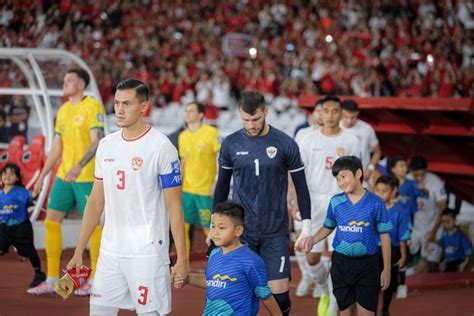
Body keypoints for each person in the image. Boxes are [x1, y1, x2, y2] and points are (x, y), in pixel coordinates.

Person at [66, 78, 188, 315]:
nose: (119, 110)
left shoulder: (162, 147)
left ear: (144, 107)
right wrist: (79, 250)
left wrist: (182, 258)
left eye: (127, 104)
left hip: (148, 252)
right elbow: (95, 202)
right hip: (110, 251)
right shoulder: (106, 146)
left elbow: (175, 207)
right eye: (117, 103)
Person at [213, 91, 313, 315]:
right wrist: (215, 225)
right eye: (246, 120)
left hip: (274, 231)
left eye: (256, 119)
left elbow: (301, 186)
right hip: (241, 231)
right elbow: (222, 187)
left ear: (265, 112)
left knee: (279, 297)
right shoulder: (230, 143)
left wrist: (306, 227)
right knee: (239, 293)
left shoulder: (286, 143)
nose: (251, 125)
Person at [28, 67, 105, 296]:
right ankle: (52, 279)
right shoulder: (62, 110)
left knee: (92, 225)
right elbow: (57, 146)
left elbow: (96, 142)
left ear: (81, 84)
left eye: (69, 80)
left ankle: (95, 279)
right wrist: (42, 176)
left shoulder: (92, 106)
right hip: (63, 175)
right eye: (63, 80)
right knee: (51, 220)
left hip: (85, 175)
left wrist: (79, 165)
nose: (64, 83)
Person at [298, 156, 392, 316]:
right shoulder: (336, 202)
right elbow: (328, 227)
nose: (340, 182)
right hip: (341, 264)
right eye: (337, 179)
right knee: (345, 311)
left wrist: (387, 269)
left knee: (366, 313)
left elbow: (384, 237)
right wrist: (312, 239)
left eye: (343, 176)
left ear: (358, 173)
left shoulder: (376, 203)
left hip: (368, 265)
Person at [296, 95, 360, 316]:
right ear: (319, 113)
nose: (331, 116)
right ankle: (324, 289)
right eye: (326, 111)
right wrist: (295, 200)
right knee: (311, 256)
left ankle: (333, 304)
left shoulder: (352, 140)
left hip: (341, 202)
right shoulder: (307, 139)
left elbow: (357, 175)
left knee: (338, 257)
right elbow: (296, 175)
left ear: (341, 113)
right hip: (313, 202)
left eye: (335, 111)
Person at [185, 201, 282, 315]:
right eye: (213, 226)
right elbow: (211, 281)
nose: (215, 232)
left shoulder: (251, 261)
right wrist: (186, 278)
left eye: (221, 227)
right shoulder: (214, 254)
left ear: (238, 231)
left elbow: (265, 294)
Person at [178, 102, 220, 258]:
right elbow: (183, 161)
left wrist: (216, 181)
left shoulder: (211, 133)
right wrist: (179, 184)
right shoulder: (183, 136)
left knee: (209, 229)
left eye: (191, 111)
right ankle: (183, 262)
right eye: (186, 110)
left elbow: (219, 158)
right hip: (187, 190)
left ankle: (216, 262)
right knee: (182, 227)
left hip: (205, 190)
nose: (187, 113)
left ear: (201, 115)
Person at [0, 163, 46, 289]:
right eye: (5, 173)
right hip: (3, 228)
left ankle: (39, 274)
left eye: (11, 174)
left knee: (29, 252)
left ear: (17, 177)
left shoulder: (22, 192)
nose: (7, 176)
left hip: (21, 228)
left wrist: (36, 192)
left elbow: (33, 196)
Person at [374, 176, 410, 316]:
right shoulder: (372, 208)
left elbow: (403, 237)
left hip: (393, 250)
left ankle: (385, 310)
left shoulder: (400, 211)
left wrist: (403, 255)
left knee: (388, 283)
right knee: (373, 284)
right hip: (374, 250)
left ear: (394, 191)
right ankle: (372, 311)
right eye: (377, 190)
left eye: (384, 191)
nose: (380, 194)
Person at [408, 156, 448, 273]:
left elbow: (442, 207)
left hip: (432, 226)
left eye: (422, 174)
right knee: (409, 259)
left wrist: (434, 231)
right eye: (416, 175)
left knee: (428, 265)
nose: (419, 178)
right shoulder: (407, 180)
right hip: (415, 228)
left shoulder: (436, 182)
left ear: (427, 170)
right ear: (411, 172)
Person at [340, 100, 382, 184]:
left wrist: (370, 169)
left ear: (357, 114)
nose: (349, 120)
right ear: (341, 112)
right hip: (339, 177)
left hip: (361, 177)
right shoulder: (334, 128)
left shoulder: (366, 129)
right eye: (346, 116)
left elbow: (377, 152)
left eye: (352, 117)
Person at [438, 208, 472, 272]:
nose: (445, 224)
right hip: (448, 262)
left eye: (448, 222)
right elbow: (441, 247)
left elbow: (468, 251)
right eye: (443, 222)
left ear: (455, 221)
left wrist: (464, 264)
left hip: (459, 262)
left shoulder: (461, 235)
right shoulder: (444, 235)